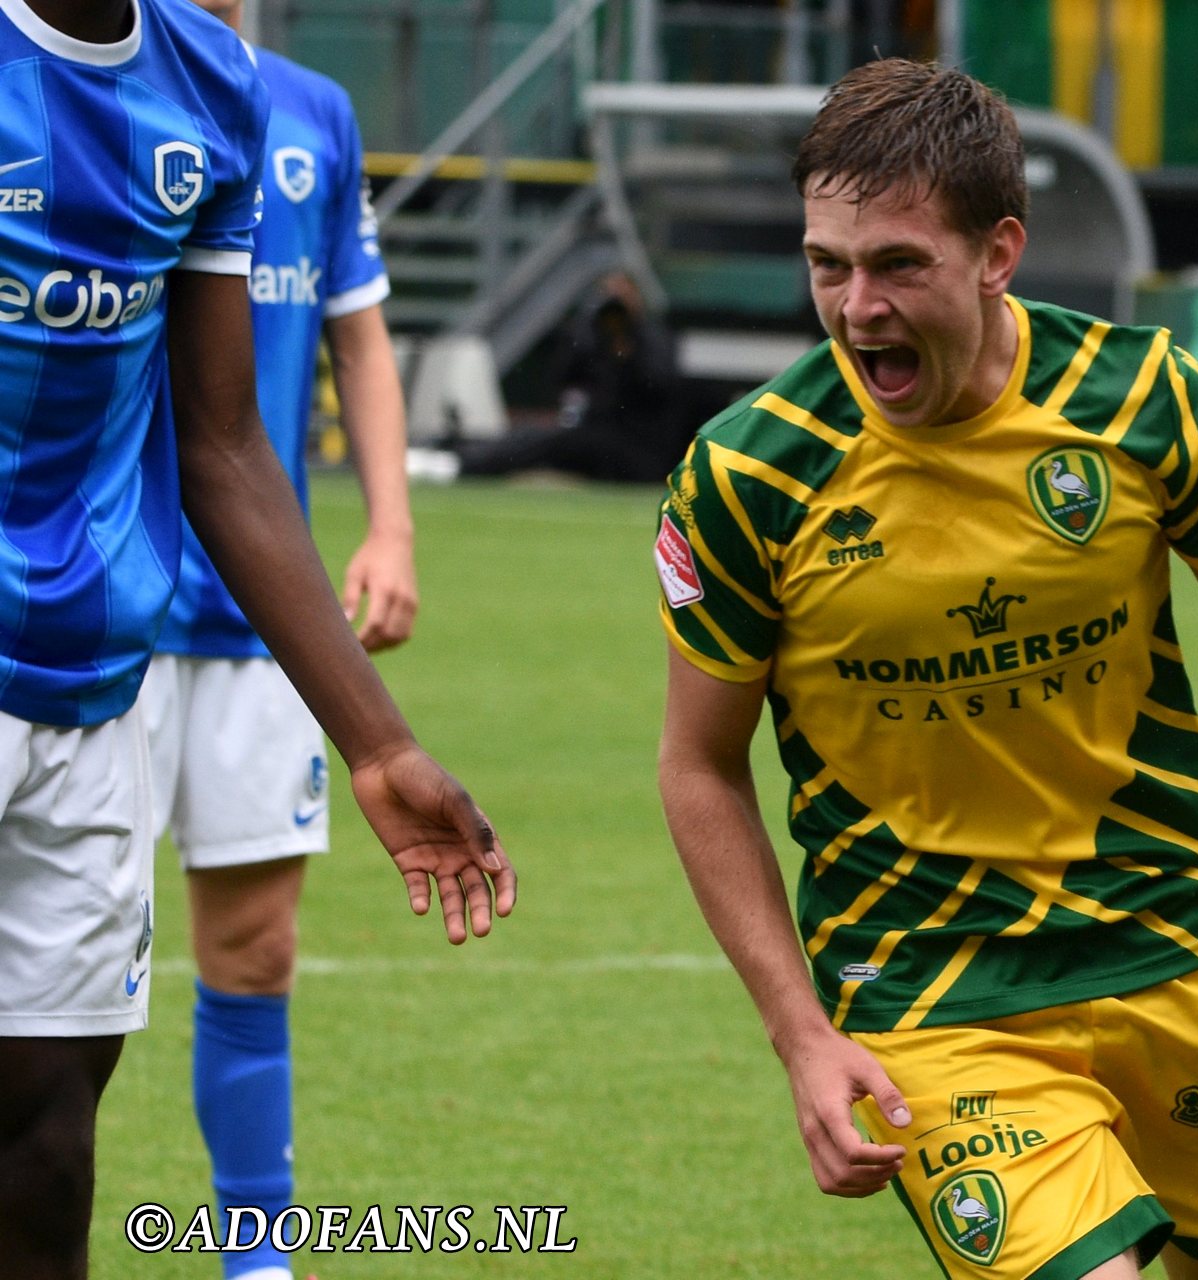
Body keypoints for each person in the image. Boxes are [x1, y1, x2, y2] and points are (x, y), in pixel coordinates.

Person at [656, 59, 1198, 1280]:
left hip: (1168, 957)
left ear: (999, 252)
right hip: (933, 994)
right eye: (827, 263)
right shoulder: (749, 477)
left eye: (897, 265)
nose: (855, 308)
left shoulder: (1144, 401)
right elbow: (697, 764)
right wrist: (799, 1033)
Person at [0, 3, 515, 1277]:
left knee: (47, 1139)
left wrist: (380, 744)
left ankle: (259, 1248)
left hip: (88, 691)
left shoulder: (215, 85)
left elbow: (222, 440)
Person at [133, 2, 418, 1277]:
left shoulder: (314, 112)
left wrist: (392, 527)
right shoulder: (65, 85)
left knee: (256, 944)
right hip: (103, 604)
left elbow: (357, 329)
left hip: (266, 612)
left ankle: (257, 1255)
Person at [408, 272, 695, 485]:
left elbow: (660, 386)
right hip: (599, 437)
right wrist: (590, 333)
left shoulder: (655, 339)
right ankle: (452, 452)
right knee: (533, 434)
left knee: (554, 441)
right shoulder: (593, 337)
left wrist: (630, 352)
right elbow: (562, 377)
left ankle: (460, 466)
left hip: (639, 450)